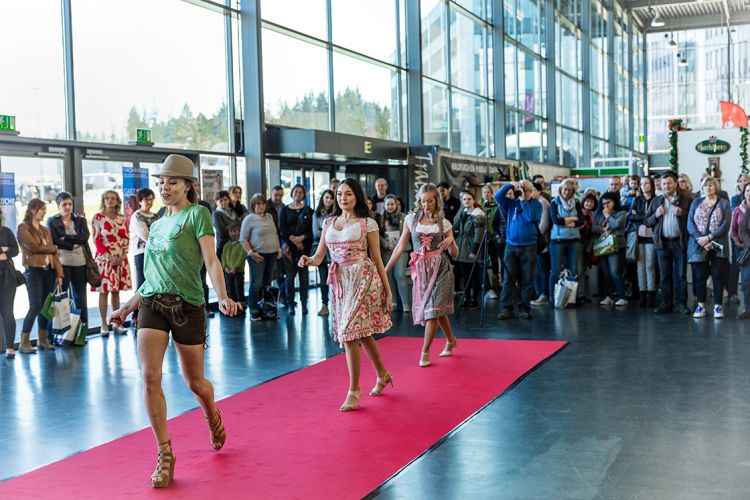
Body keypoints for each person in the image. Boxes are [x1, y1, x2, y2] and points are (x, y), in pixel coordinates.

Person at [109, 154, 241, 489]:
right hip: (152, 304)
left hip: (188, 306)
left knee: (195, 382)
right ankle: (165, 454)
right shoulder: (155, 225)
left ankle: (211, 413)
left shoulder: (198, 214)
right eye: (162, 182)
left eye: (173, 182)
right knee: (150, 376)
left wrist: (223, 295)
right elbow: (150, 278)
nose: (165, 188)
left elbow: (211, 260)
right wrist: (127, 307)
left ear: (188, 185)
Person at [299, 178, 393, 411]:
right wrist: (308, 260)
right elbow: (319, 257)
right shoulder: (329, 222)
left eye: (348, 194)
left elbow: (377, 258)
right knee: (361, 332)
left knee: (350, 333)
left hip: (363, 279)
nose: (343, 198)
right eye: (340, 194)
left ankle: (354, 390)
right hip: (340, 282)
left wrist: (387, 290)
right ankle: (383, 374)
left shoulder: (367, 224)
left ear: (357, 196)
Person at [385, 183, 459, 366]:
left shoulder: (444, 223)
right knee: (437, 310)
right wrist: (385, 269)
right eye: (423, 201)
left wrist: (451, 240)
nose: (426, 205)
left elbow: (455, 254)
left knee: (432, 312)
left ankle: (425, 352)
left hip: (441, 269)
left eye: (430, 201)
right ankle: (451, 340)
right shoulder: (411, 219)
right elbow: (401, 246)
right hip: (421, 270)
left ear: (436, 201)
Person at [17, 199, 63, 352]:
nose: (44, 212)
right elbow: (33, 247)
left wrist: (59, 273)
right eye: (41, 209)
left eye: (44, 209)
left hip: (49, 271)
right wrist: (52, 248)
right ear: (32, 210)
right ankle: (24, 342)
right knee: (35, 305)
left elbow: (53, 254)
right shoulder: (23, 228)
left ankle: (42, 340)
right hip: (34, 271)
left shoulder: (45, 229)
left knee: (45, 306)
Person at [645, 171, 692, 315]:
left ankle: (681, 304)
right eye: (664, 183)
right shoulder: (656, 201)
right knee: (664, 276)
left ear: (676, 183)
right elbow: (647, 221)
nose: (666, 186)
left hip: (679, 242)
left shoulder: (686, 198)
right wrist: (656, 214)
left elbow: (694, 218)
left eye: (669, 183)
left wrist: (682, 213)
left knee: (680, 275)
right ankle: (666, 303)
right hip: (662, 243)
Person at [494, 181, 542, 319]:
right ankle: (506, 308)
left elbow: (531, 217)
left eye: (525, 190)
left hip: (529, 246)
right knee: (508, 278)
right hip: (511, 246)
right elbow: (498, 196)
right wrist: (509, 185)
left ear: (531, 192)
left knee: (527, 278)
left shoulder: (536, 204)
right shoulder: (511, 203)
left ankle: (524, 308)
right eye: (520, 189)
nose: (521, 192)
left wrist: (523, 200)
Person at [687, 176, 730, 319]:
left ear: (716, 187)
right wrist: (702, 240)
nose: (708, 188)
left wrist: (709, 238)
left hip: (718, 244)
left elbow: (726, 224)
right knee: (700, 276)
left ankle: (718, 306)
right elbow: (690, 224)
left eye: (711, 185)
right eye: (706, 186)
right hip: (699, 245)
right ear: (702, 188)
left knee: (718, 276)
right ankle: (701, 306)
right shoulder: (696, 202)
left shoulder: (724, 203)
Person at [92, 190, 132, 336]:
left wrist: (123, 255)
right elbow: (97, 240)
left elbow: (126, 237)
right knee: (104, 291)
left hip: (120, 258)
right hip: (104, 260)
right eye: (107, 198)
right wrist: (109, 257)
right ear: (103, 200)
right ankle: (103, 324)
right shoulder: (98, 218)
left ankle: (116, 323)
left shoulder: (122, 218)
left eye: (113, 198)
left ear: (117, 201)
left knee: (116, 291)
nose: (110, 200)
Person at [48, 192, 90, 325]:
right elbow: (54, 240)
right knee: (61, 298)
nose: (67, 207)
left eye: (70, 204)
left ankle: (82, 330)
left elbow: (84, 237)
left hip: (80, 263)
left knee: (80, 298)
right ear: (58, 206)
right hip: (62, 264)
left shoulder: (80, 220)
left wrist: (65, 238)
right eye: (64, 204)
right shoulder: (52, 221)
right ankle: (61, 331)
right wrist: (72, 245)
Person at [241, 194, 281, 321]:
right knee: (256, 283)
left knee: (267, 284)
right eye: (258, 204)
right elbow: (243, 239)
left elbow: (275, 234)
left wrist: (279, 248)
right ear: (253, 205)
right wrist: (250, 252)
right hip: (257, 255)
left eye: (263, 203)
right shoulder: (249, 219)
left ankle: (267, 310)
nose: (261, 206)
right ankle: (254, 310)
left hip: (272, 254)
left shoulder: (269, 217)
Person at [548, 178, 584, 305]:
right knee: (555, 270)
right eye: (565, 190)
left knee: (573, 270)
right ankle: (553, 297)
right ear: (560, 190)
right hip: (557, 240)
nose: (567, 192)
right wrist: (573, 219)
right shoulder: (554, 203)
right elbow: (555, 220)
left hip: (574, 240)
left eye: (569, 190)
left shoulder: (576, 202)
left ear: (573, 191)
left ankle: (570, 298)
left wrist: (565, 221)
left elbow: (582, 220)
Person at [279, 184, 313, 314]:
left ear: (304, 195)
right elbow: (282, 228)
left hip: (304, 248)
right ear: (292, 193)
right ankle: (291, 305)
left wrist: (301, 238)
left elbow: (311, 230)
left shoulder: (309, 210)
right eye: (296, 191)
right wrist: (294, 240)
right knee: (289, 278)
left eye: (301, 192)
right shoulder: (284, 209)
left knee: (304, 279)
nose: (298, 194)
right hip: (289, 249)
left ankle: (304, 304)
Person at [627, 176, 658, 307]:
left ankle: (651, 294)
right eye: (642, 184)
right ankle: (642, 293)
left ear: (651, 185)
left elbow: (657, 217)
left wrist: (639, 217)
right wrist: (646, 217)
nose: (644, 186)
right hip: (639, 236)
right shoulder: (637, 200)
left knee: (650, 266)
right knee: (640, 267)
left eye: (646, 183)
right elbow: (630, 216)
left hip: (651, 236)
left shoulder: (657, 200)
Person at [453, 190, 486, 309]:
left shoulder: (478, 215)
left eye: (469, 199)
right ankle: (467, 298)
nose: (467, 201)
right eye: (464, 199)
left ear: (473, 201)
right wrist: (460, 211)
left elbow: (478, 234)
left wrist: (474, 250)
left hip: (471, 247)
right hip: (461, 247)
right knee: (466, 275)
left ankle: (474, 299)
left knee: (473, 275)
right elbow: (455, 225)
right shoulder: (464, 212)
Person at [594, 192, 628, 306]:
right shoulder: (599, 214)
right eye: (603, 203)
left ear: (614, 202)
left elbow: (616, 225)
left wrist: (608, 216)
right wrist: (602, 230)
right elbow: (594, 226)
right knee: (606, 272)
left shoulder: (621, 213)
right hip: (602, 244)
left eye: (608, 202)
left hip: (616, 244)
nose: (606, 205)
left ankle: (622, 296)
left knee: (615, 271)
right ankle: (609, 296)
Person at [382, 194, 412, 313]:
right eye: (388, 204)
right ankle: (393, 302)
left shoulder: (404, 217)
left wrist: (399, 244)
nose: (390, 206)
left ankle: (405, 303)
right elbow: (377, 234)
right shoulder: (380, 218)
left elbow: (407, 233)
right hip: (387, 250)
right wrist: (386, 244)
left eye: (392, 204)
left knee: (399, 275)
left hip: (401, 249)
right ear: (384, 205)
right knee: (388, 276)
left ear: (396, 205)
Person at [727, 174, 750, 304]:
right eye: (740, 181)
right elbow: (734, 227)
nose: (743, 182)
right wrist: (737, 241)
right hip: (739, 243)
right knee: (737, 266)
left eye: (745, 180)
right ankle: (732, 293)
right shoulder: (736, 201)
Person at [0, 204, 20, 358]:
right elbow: (7, 250)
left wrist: (6, 252)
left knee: (8, 312)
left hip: (8, 277)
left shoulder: (6, 231)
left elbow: (15, 250)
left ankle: (10, 347)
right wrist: (3, 249)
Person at [130, 188, 158, 291]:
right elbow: (146, 236)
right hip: (142, 252)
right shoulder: (137, 216)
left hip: (156, 253)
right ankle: (138, 302)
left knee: (154, 282)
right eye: (146, 199)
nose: (149, 202)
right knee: (142, 283)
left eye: (151, 199)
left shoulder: (155, 216)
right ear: (140, 201)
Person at [312, 189, 335, 316]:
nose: (329, 200)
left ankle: (337, 303)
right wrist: (330, 232)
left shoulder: (337, 214)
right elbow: (315, 232)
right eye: (327, 197)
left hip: (334, 249)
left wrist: (326, 232)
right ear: (322, 199)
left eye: (331, 198)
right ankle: (324, 304)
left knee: (336, 277)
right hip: (320, 248)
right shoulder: (316, 214)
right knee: (323, 278)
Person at [194, 181, 214, 318]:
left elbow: (208, 228)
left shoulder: (204, 206)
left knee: (202, 281)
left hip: (202, 249)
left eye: (197, 185)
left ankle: (205, 307)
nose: (195, 188)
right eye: (193, 185)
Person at [530, 182, 551, 306]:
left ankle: (543, 294)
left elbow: (544, 225)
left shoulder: (542, 203)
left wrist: (532, 234)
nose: (531, 193)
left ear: (539, 191)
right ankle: (540, 293)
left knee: (542, 268)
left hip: (541, 241)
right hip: (537, 240)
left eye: (533, 190)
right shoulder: (536, 202)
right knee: (539, 268)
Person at [577, 191, 598, 303]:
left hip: (587, 245)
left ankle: (581, 294)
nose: (589, 204)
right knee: (579, 269)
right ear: (583, 201)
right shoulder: (578, 213)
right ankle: (576, 295)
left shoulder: (591, 215)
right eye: (587, 201)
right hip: (578, 243)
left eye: (592, 202)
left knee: (584, 269)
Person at [481, 184, 500, 299]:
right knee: (484, 260)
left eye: (488, 192)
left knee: (495, 259)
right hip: (483, 236)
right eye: (484, 192)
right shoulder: (478, 205)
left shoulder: (496, 204)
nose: (486, 194)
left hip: (494, 235)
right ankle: (486, 285)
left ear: (491, 193)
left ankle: (496, 280)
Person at [221, 223, 245, 308]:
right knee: (230, 288)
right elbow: (223, 257)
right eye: (230, 231)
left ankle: (241, 305)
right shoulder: (226, 245)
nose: (232, 233)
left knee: (239, 288)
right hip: (228, 271)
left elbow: (241, 256)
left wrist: (235, 267)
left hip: (238, 271)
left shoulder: (241, 244)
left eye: (235, 231)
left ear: (239, 232)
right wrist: (225, 267)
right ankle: (232, 306)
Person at [735, 183, 750, 319]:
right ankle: (748, 309)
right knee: (746, 281)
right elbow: (742, 230)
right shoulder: (747, 211)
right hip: (748, 251)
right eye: (748, 191)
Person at [212, 190, 237, 260]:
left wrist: (228, 227)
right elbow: (221, 230)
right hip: (223, 245)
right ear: (216, 202)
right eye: (220, 200)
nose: (223, 202)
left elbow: (240, 226)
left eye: (225, 199)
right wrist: (234, 227)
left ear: (229, 200)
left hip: (235, 244)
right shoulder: (216, 214)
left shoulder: (232, 211)